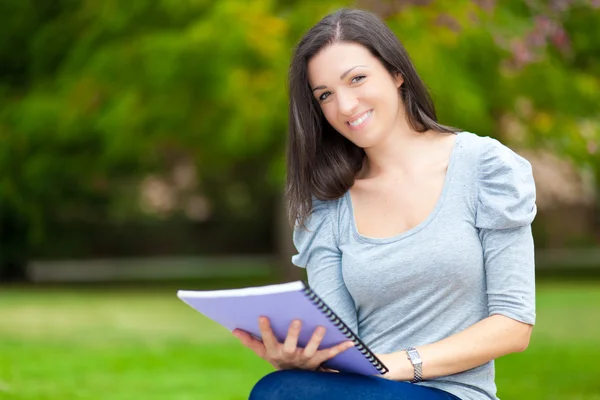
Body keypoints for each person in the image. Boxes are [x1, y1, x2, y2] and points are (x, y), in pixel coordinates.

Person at [232, 8, 537, 400]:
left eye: (357, 79)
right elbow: (340, 343)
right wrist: (304, 359)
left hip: (453, 393)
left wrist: (394, 364)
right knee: (281, 386)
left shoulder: (484, 167)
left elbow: (513, 326)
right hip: (362, 389)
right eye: (325, 95)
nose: (344, 106)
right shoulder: (328, 204)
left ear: (396, 73)